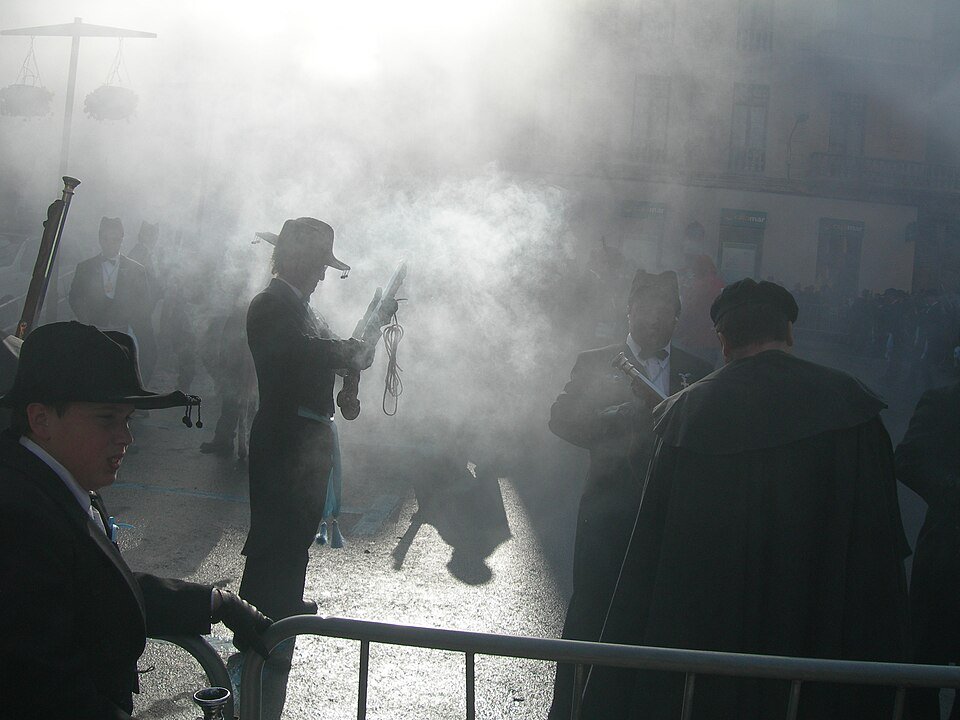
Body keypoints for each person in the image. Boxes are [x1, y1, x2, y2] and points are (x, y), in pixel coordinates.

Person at [581, 279, 910, 720]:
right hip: (819, 630)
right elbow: (878, 543)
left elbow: (652, 552)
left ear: (723, 341)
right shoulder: (850, 405)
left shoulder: (686, 414)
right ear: (789, 333)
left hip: (709, 636)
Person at [0, 321, 272, 719]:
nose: (125, 437)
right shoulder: (18, 516)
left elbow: (99, 588)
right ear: (41, 420)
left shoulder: (51, 483)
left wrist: (214, 602)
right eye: (106, 419)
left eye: (127, 419)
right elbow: (45, 691)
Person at [547, 270, 713, 720]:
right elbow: (560, 418)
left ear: (677, 318)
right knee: (590, 612)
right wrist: (615, 419)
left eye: (666, 310)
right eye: (646, 308)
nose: (655, 318)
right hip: (606, 509)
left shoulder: (697, 371)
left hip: (669, 511)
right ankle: (573, 709)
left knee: (661, 619)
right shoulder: (595, 360)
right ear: (628, 310)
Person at [239, 217, 396, 621]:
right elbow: (307, 352)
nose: (322, 276)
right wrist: (355, 342)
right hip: (283, 435)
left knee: (298, 530)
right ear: (296, 262)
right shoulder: (270, 305)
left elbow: (351, 357)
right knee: (274, 531)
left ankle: (283, 605)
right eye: (318, 266)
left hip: (305, 436)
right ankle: (256, 616)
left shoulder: (305, 310)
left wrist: (374, 324)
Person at [896, 381, 960, 720]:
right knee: (923, 673)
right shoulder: (946, 398)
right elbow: (906, 459)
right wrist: (952, 491)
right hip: (946, 562)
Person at [68, 217, 153, 345]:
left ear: (122, 240)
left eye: (115, 240)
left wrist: (129, 319)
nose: (110, 244)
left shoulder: (137, 270)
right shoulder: (85, 267)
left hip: (123, 334)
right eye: (105, 239)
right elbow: (75, 297)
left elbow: (144, 303)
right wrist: (86, 321)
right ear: (99, 239)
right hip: (93, 332)